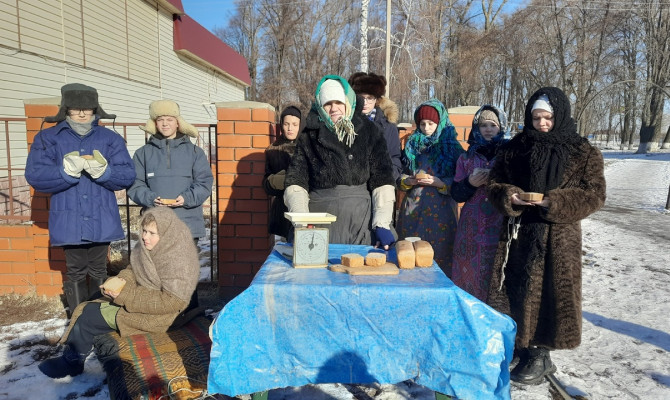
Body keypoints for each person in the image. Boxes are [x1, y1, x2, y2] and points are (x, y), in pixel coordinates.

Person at [486, 87, 606, 385]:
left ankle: (541, 354)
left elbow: (595, 194)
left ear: (560, 115)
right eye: (536, 117)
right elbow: (494, 183)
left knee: (550, 294)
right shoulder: (515, 148)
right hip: (519, 232)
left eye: (548, 117)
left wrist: (555, 201)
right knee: (516, 289)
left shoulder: (583, 152)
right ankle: (522, 347)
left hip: (558, 236)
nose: (541, 123)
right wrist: (510, 196)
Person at [38, 207, 200, 379]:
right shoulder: (152, 250)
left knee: (89, 316)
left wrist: (125, 296)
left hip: (160, 318)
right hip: (142, 302)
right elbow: (132, 270)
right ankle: (76, 354)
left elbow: (170, 302)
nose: (145, 237)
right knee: (92, 302)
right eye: (144, 231)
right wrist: (121, 281)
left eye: (152, 233)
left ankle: (72, 362)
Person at [25, 83, 135, 315]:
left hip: (100, 214)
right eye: (76, 108)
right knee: (74, 269)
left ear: (96, 109)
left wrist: (104, 173)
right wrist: (65, 173)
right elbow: (35, 174)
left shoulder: (109, 138)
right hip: (69, 215)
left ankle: (97, 317)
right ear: (66, 109)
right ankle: (77, 319)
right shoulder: (48, 137)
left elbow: (127, 175)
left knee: (98, 269)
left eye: (88, 108)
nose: (83, 113)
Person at [283, 75, 396, 249]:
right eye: (328, 103)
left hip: (362, 222)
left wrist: (381, 223)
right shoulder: (309, 136)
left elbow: (382, 179)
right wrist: (302, 221)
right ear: (320, 106)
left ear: (347, 102)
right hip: (321, 222)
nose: (334, 108)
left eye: (338, 102)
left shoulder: (369, 130)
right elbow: (296, 181)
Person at [128, 99, 213, 245]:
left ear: (178, 122)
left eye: (169, 119)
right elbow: (135, 184)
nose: (165, 123)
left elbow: (204, 183)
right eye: (160, 119)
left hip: (187, 224)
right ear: (154, 123)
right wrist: (150, 198)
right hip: (154, 225)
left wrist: (187, 198)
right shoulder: (142, 153)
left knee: (184, 267)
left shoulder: (194, 152)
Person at [397, 100, 465, 277]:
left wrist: (439, 183)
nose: (426, 128)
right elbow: (399, 176)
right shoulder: (411, 146)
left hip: (442, 213)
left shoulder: (453, 149)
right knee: (410, 256)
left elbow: (461, 183)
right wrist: (409, 181)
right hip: (413, 211)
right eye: (422, 123)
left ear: (440, 122)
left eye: (431, 123)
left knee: (440, 258)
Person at [451, 105, 509, 301]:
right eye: (483, 124)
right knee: (469, 274)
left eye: (493, 124)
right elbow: (456, 193)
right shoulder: (466, 157)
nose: (488, 129)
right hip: (471, 227)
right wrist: (469, 183)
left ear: (501, 127)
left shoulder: (508, 155)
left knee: (495, 272)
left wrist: (494, 179)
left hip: (499, 220)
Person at [348, 72, 403, 183]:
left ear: (376, 99)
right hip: (353, 187)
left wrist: (388, 177)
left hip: (382, 184)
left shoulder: (388, 126)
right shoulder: (346, 123)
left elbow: (395, 158)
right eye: (361, 97)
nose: (365, 102)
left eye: (370, 98)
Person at [262, 106, 303, 241]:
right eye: (286, 124)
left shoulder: (307, 146)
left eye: (294, 124)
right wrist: (273, 182)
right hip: (282, 213)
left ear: (300, 125)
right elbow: (265, 184)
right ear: (281, 125)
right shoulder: (273, 149)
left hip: (305, 210)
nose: (290, 128)